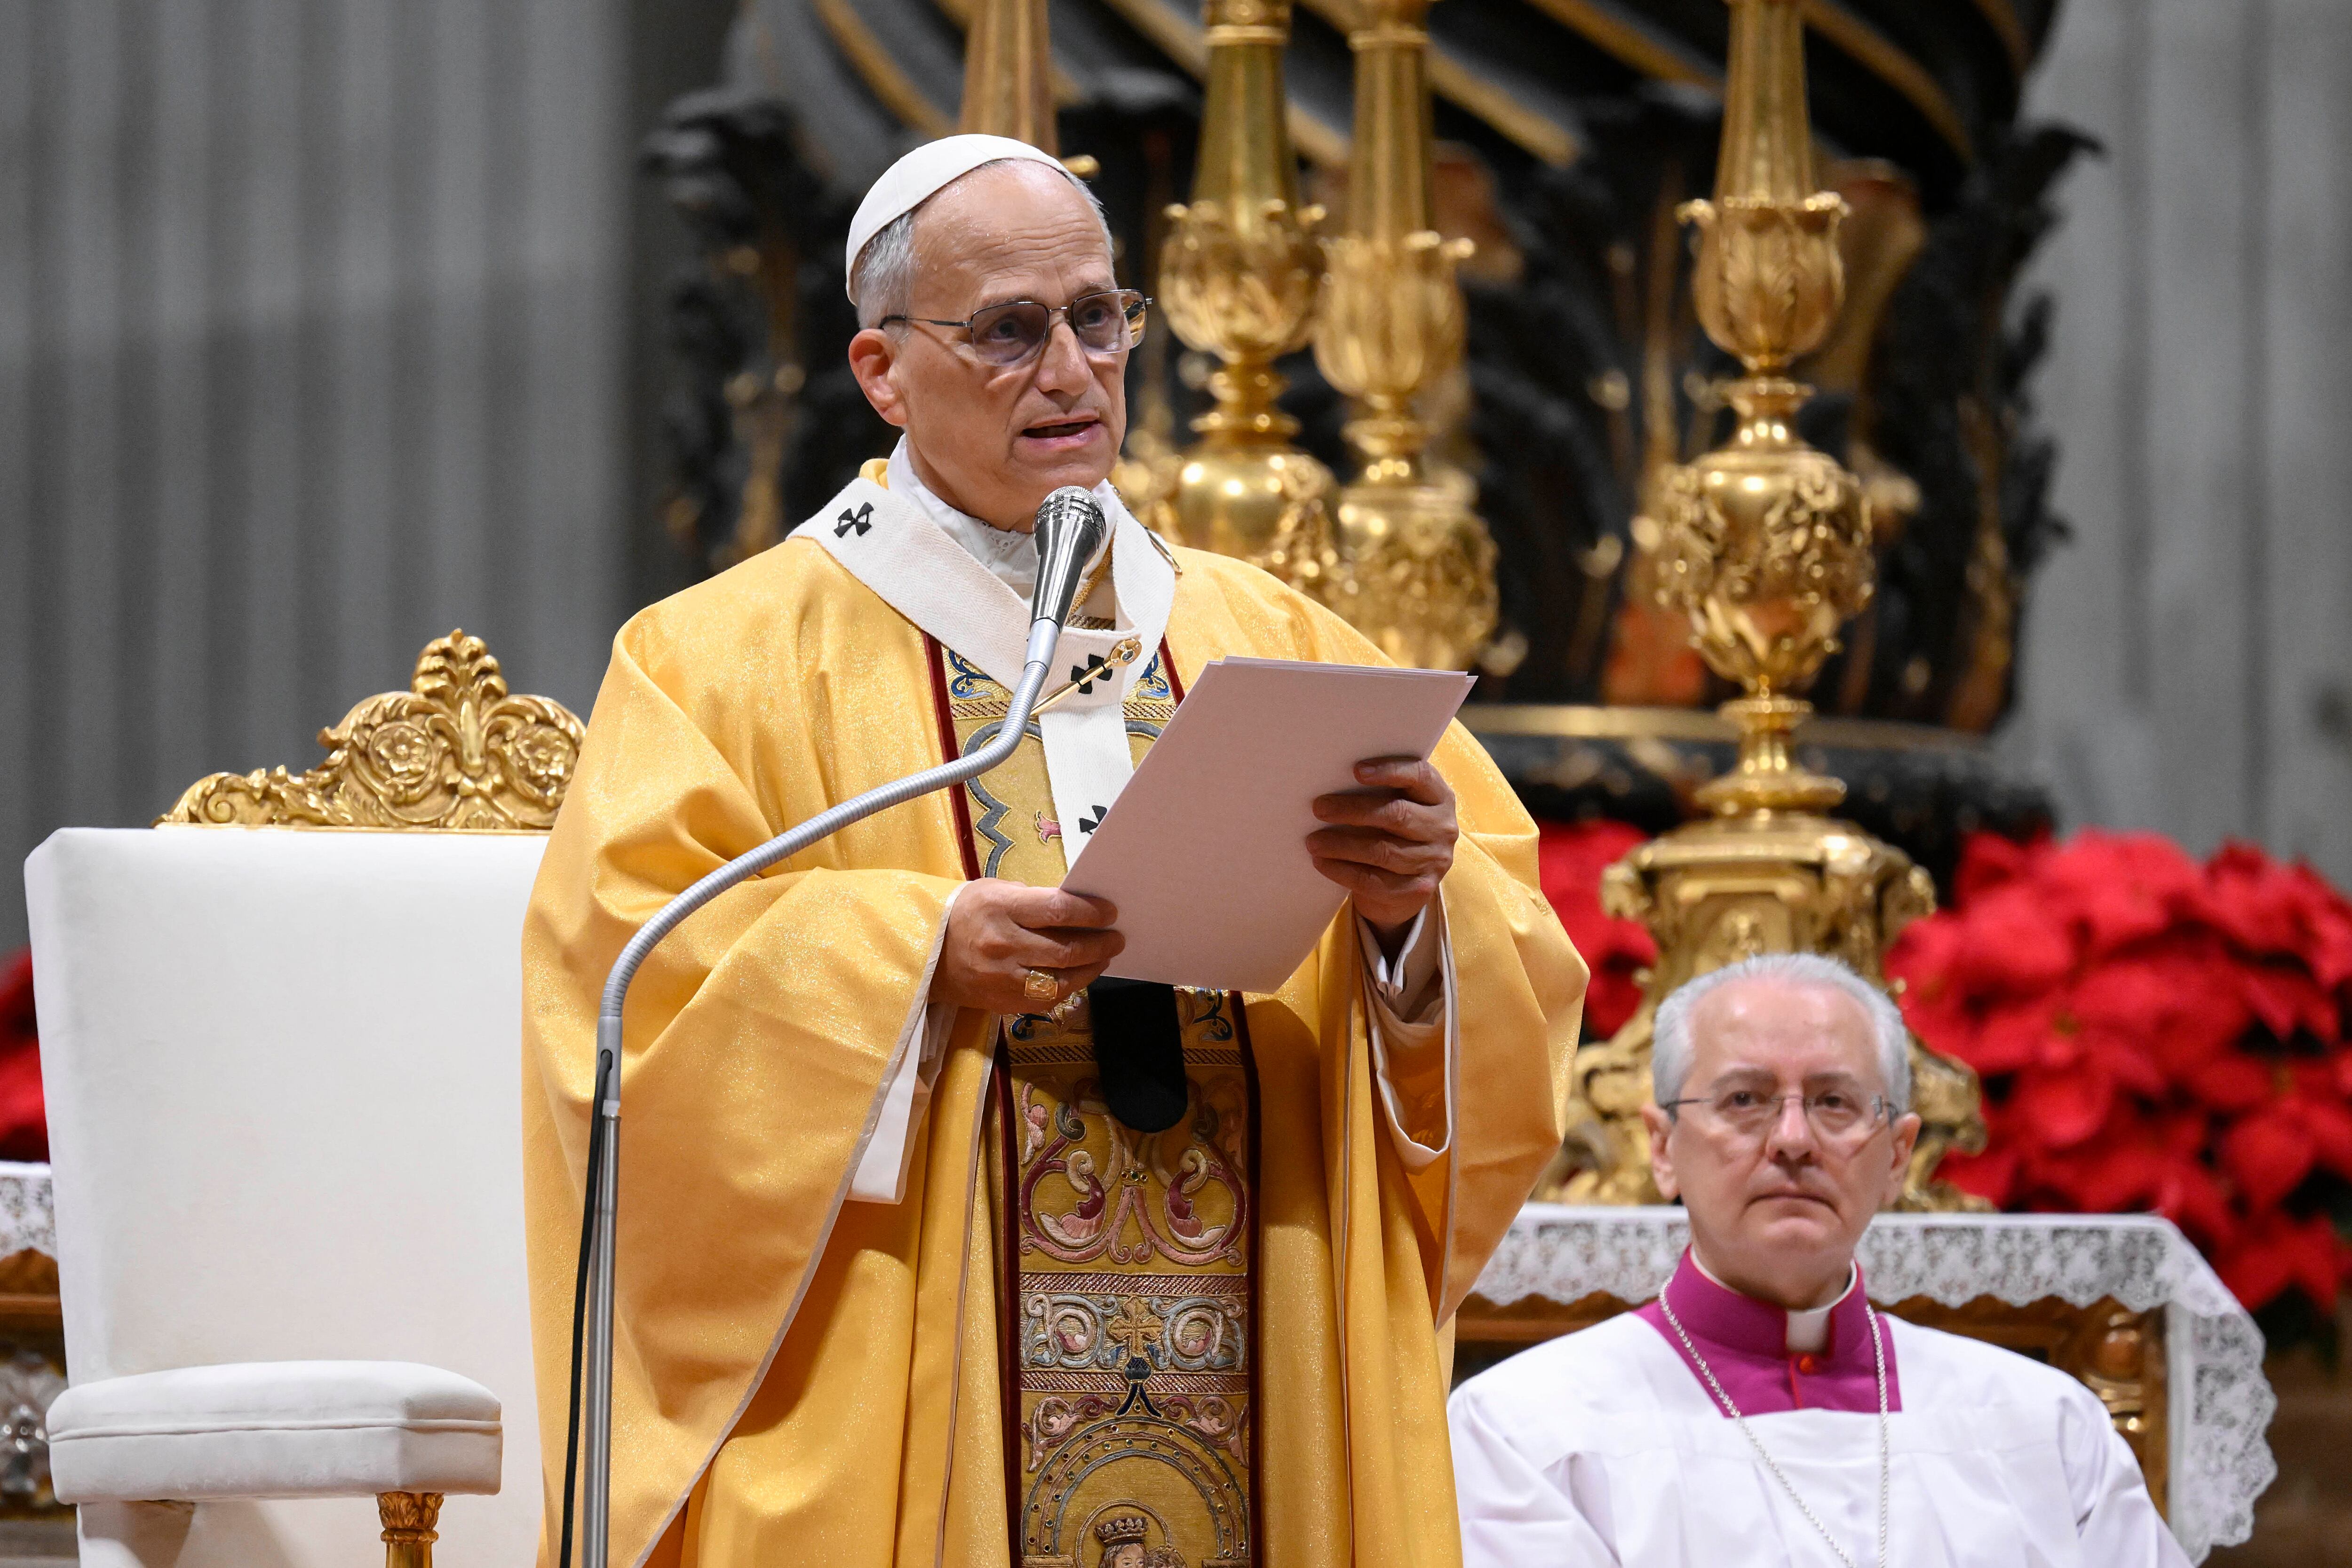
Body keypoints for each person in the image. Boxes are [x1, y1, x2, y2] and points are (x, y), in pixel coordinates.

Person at [522, 133, 1587, 1568]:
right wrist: (912, 954)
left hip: (1263, 1330)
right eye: (1010, 332)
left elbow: (1511, 957)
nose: (1074, 371)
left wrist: (1412, 915)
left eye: (1099, 316)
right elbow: (622, 994)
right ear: (882, 371)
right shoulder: (718, 663)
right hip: (911, 1381)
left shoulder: (1270, 636)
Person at [1448, 952, 2188, 1567]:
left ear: (1898, 1154)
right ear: (1664, 1146)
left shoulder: (2047, 1427)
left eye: (1835, 1101)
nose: (1794, 1138)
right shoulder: (1526, 1429)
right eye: (1746, 1098)